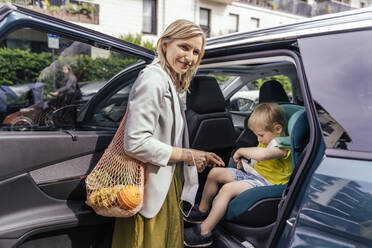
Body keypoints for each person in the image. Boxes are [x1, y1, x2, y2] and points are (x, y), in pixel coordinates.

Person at [111, 19, 225, 248]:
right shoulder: (153, 79)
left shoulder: (168, 80)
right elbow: (134, 142)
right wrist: (187, 155)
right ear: (165, 44)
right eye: (184, 47)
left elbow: (165, 136)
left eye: (196, 52)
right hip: (149, 186)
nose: (190, 57)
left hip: (165, 182)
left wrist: (193, 155)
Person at [184, 102, 292, 247]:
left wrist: (241, 151)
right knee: (215, 173)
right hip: (254, 176)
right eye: (256, 135)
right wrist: (245, 162)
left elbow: (265, 154)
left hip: (267, 183)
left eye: (260, 135)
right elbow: (258, 155)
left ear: (278, 129)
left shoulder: (284, 144)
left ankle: (204, 232)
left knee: (227, 189)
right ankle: (203, 210)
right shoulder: (268, 139)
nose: (259, 140)